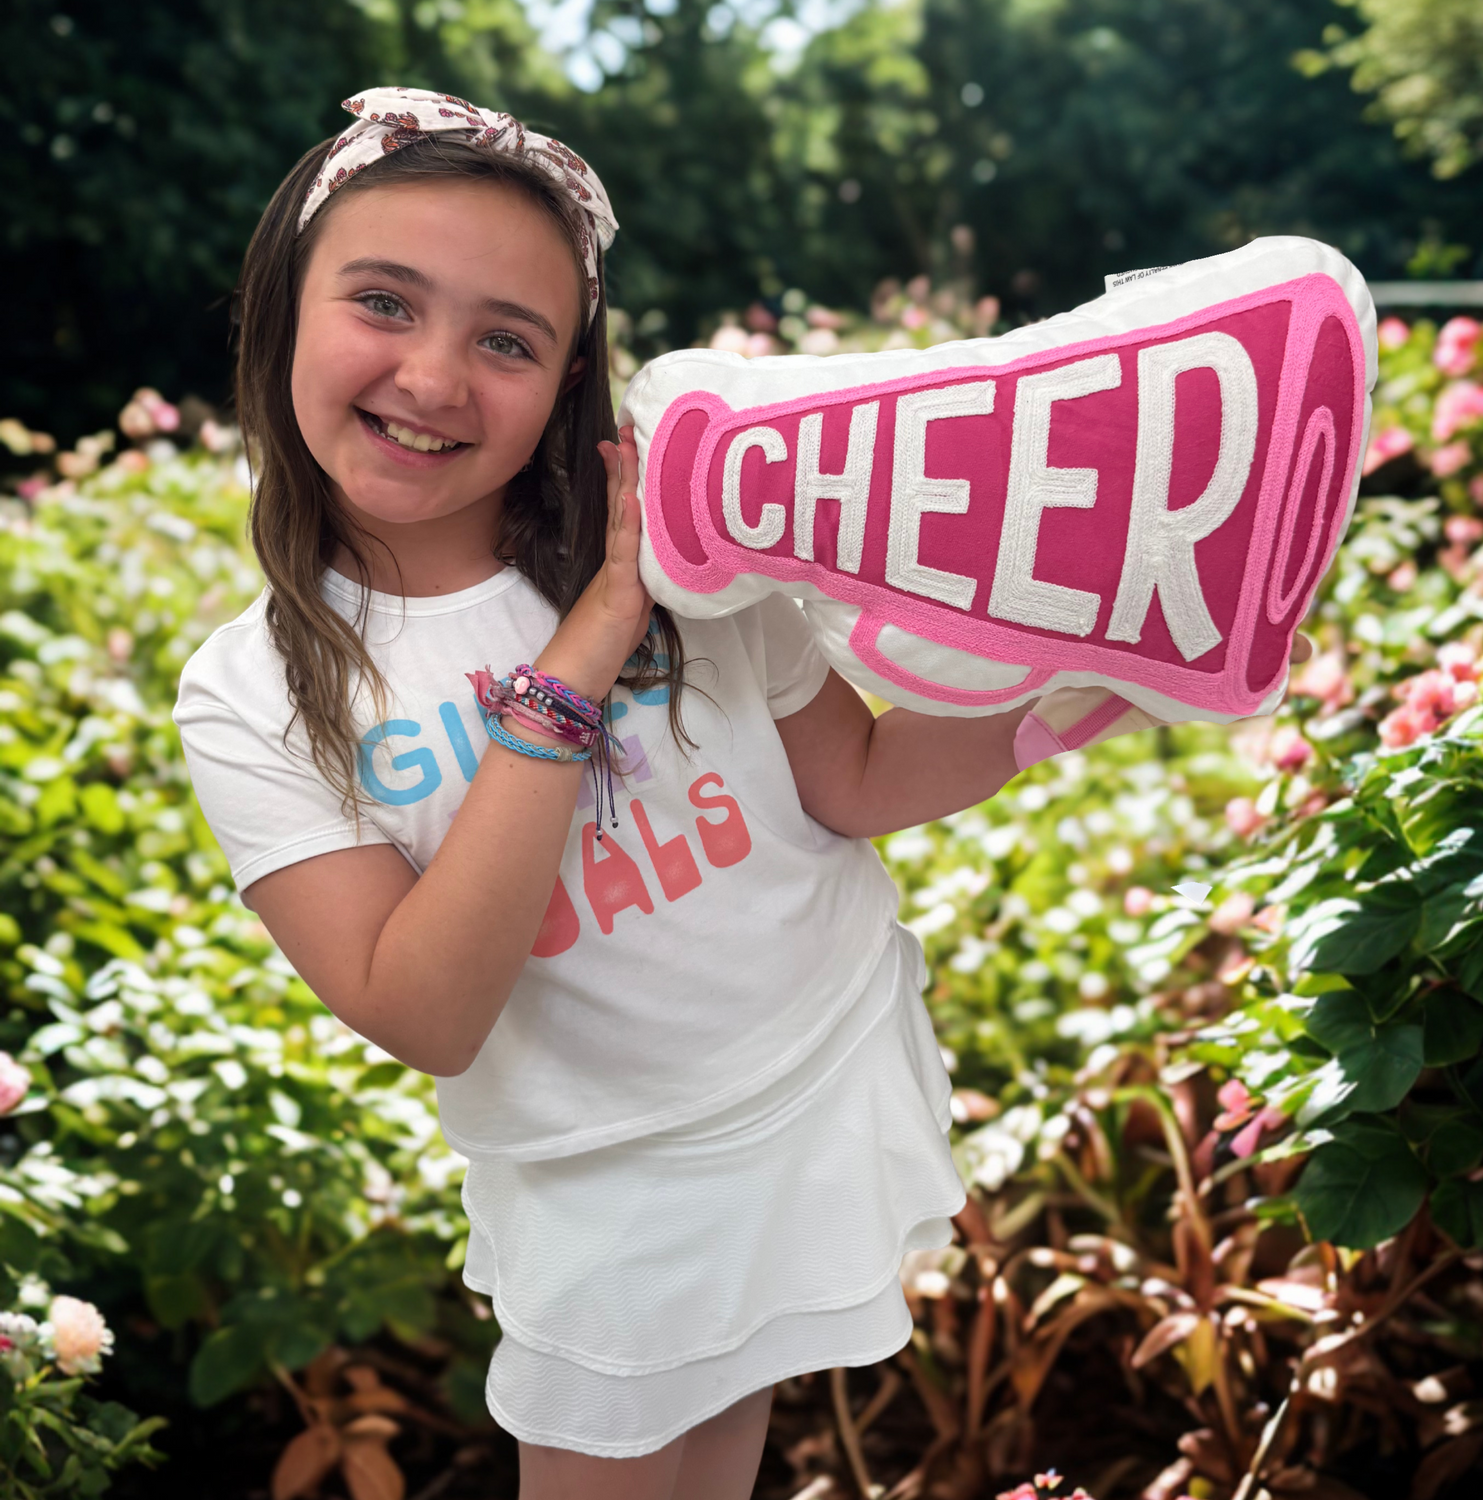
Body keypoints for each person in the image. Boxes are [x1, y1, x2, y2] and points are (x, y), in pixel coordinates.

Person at [173, 87, 1312, 1500]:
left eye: (508, 339)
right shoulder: (257, 687)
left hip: (800, 1076)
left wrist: (1105, 680)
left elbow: (851, 776)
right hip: (606, 1175)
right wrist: (583, 649)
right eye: (386, 303)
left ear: (569, 379)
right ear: (283, 301)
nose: (436, 377)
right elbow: (427, 1009)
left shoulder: (693, 557)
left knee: (716, 1463)